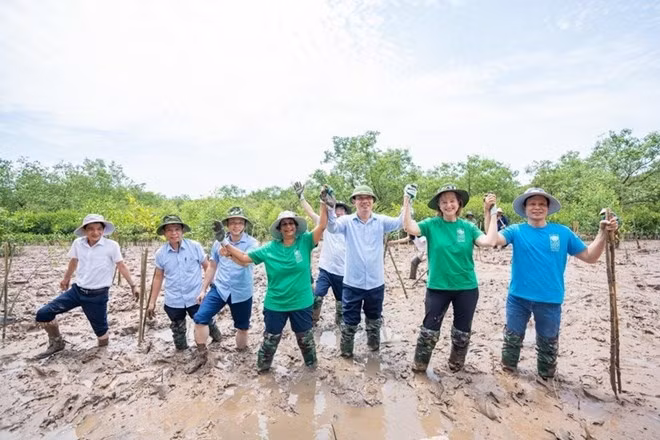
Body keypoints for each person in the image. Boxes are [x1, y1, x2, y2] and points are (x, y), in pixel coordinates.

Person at [489, 188, 618, 379]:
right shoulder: (515, 231)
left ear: (548, 208)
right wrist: (491, 213)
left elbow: (590, 256)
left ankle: (546, 381)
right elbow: (493, 240)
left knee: (548, 347)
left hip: (550, 299)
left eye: (542, 204)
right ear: (525, 208)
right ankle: (508, 377)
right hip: (518, 298)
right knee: (511, 341)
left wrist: (602, 233)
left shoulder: (562, 232)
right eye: (532, 204)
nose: (537, 208)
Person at [217, 187, 331, 372]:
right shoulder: (269, 248)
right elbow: (245, 258)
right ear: (279, 228)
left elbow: (322, 225)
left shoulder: (306, 241)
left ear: (296, 226)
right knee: (270, 340)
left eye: (291, 223)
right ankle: (262, 370)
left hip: (301, 302)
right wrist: (224, 242)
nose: (288, 227)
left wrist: (323, 203)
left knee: (306, 341)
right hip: (276, 303)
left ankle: (311, 372)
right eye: (284, 224)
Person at [403, 184, 499, 372]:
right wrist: (407, 199)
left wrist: (492, 213)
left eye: (452, 201)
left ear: (459, 203)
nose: (448, 205)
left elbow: (489, 242)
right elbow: (409, 227)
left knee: (462, 332)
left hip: (466, 288)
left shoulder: (468, 227)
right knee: (429, 330)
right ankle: (420, 365)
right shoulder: (431, 225)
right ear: (439, 206)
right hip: (438, 287)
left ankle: (456, 365)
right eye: (444, 202)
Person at [35, 214, 139, 358]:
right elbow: (74, 261)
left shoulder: (111, 246)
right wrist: (66, 278)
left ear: (103, 230)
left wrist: (133, 285)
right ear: (85, 230)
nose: (95, 232)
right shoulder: (78, 243)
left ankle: (102, 354)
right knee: (43, 313)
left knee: (102, 336)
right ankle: (57, 342)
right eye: (91, 229)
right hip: (77, 291)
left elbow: (121, 265)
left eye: (98, 229)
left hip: (98, 295)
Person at [326, 184, 405, 358]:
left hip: (376, 283)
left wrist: (408, 200)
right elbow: (331, 227)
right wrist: (330, 207)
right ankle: (346, 353)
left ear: (373, 202)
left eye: (368, 198)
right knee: (349, 321)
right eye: (360, 198)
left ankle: (373, 347)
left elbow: (401, 222)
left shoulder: (381, 221)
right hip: (352, 283)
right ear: (354, 201)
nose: (364, 201)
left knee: (374, 319)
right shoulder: (347, 222)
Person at [186, 207, 259, 373]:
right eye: (232, 222)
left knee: (242, 327)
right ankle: (202, 355)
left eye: (240, 222)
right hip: (220, 288)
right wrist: (203, 289)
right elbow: (212, 266)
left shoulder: (252, 243)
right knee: (200, 318)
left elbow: (246, 261)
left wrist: (228, 252)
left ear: (245, 225)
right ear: (227, 225)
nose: (236, 225)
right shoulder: (217, 242)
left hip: (242, 291)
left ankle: (241, 355)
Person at [147, 215, 217, 352]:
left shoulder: (195, 247)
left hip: (196, 296)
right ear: (165, 233)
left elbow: (207, 266)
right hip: (174, 299)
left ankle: (217, 339)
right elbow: (158, 277)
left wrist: (212, 287)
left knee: (205, 321)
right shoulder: (161, 253)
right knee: (177, 329)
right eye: (169, 230)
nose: (174, 233)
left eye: (177, 229)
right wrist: (152, 301)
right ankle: (182, 351)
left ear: (182, 231)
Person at [294, 181, 350, 327]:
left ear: (346, 213)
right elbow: (310, 212)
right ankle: (312, 321)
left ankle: (340, 325)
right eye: (336, 209)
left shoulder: (350, 226)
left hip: (343, 272)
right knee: (317, 297)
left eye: (342, 210)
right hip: (326, 269)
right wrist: (301, 197)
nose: (339, 212)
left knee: (341, 302)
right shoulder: (324, 223)